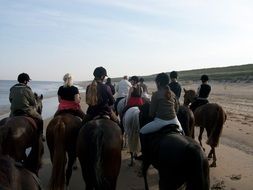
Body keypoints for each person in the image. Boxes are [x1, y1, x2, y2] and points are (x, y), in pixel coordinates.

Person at [138, 73, 183, 160]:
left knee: (142, 132)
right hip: (174, 121)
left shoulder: (156, 94)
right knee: (183, 134)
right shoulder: (172, 94)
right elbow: (176, 109)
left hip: (161, 122)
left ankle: (145, 154)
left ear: (158, 83)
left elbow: (151, 113)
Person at [9, 73, 44, 139]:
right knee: (40, 118)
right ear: (25, 81)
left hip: (14, 110)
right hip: (26, 110)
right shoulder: (27, 89)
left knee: (8, 120)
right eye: (27, 81)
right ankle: (41, 134)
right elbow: (33, 102)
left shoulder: (12, 88)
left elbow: (10, 100)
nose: (28, 82)